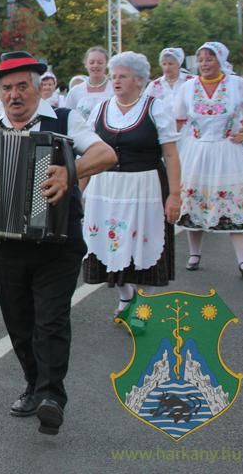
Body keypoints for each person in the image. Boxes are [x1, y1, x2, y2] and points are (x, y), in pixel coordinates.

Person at [0, 51, 116, 435]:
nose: (14, 95)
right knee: (19, 321)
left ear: (38, 87)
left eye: (21, 86)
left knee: (52, 318)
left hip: (58, 240)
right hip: (7, 242)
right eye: (6, 88)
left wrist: (70, 172)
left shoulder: (63, 119)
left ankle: (51, 396)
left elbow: (105, 153)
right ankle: (33, 383)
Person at [81, 52, 182, 325]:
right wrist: (78, 192)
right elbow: (87, 154)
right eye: (114, 76)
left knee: (145, 245)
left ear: (138, 81)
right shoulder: (101, 110)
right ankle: (125, 297)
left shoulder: (155, 108)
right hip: (105, 190)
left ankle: (145, 305)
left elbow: (171, 155)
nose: (116, 81)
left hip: (145, 188)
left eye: (122, 76)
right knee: (106, 244)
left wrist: (174, 195)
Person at [175, 42, 243, 277]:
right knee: (194, 202)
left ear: (220, 59)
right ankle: (194, 253)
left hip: (227, 150)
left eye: (209, 59)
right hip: (197, 151)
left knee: (235, 202)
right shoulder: (188, 88)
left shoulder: (236, 84)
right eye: (200, 59)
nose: (204, 64)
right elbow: (178, 119)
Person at [64, 47, 113, 120]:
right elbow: (67, 118)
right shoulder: (75, 91)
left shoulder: (115, 89)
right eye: (91, 62)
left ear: (106, 64)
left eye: (100, 62)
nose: (95, 65)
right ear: (85, 64)